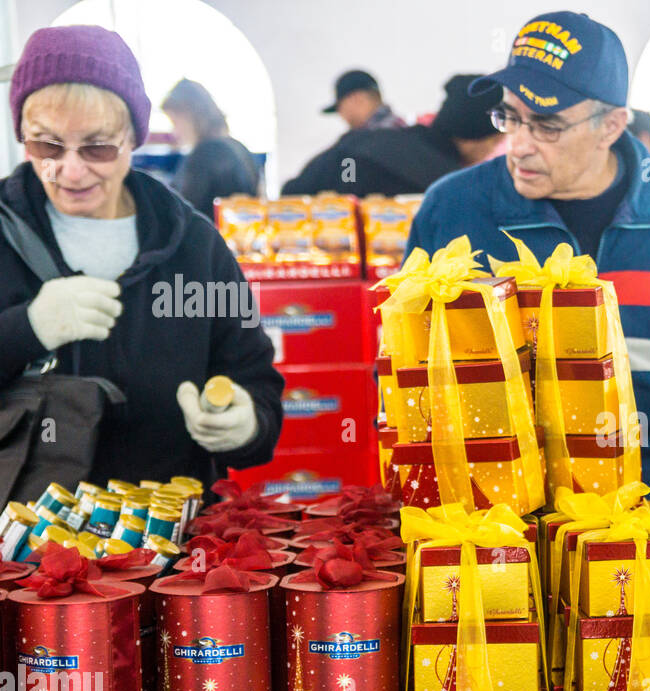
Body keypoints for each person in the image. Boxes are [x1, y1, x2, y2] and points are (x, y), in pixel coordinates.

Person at [407, 11, 650, 498]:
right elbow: (407, 378)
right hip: (497, 532)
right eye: (510, 117)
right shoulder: (452, 210)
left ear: (612, 125)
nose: (519, 145)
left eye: (547, 126)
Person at [0, 25, 283, 489]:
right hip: (23, 549)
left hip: (171, 544)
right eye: (46, 145)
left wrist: (244, 423)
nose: (70, 170)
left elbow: (257, 384)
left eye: (97, 146)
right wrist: (25, 329)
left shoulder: (195, 246)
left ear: (134, 136)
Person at [281, 74, 500, 197]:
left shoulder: (359, 143)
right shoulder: (452, 184)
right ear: (481, 138)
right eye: (496, 139)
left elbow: (294, 191)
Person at [160, 78, 260, 219]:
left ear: (190, 116)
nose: (174, 131)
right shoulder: (238, 147)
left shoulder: (206, 154)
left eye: (175, 122)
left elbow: (182, 212)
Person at [322, 69, 405, 131]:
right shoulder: (408, 131)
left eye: (340, 108)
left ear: (356, 98)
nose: (341, 115)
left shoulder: (362, 143)